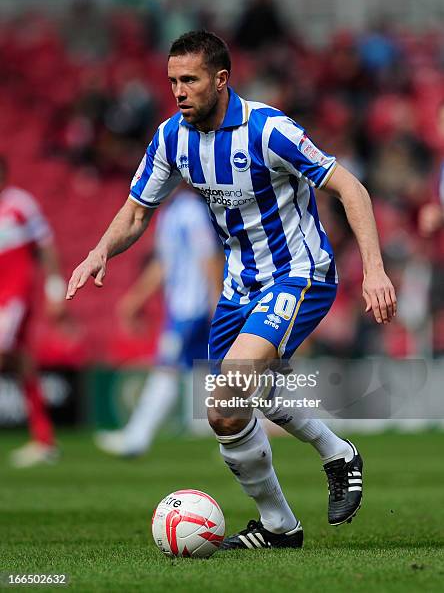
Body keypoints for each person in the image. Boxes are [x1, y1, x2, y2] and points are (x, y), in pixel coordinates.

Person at [67, 31, 397, 549]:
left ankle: (319, 474)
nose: (178, 91)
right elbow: (136, 211)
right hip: (240, 288)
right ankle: (287, 517)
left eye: (190, 80)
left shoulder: (269, 129)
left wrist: (374, 269)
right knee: (228, 409)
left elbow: (349, 186)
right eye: (173, 80)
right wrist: (100, 250)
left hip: (299, 273)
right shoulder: (172, 138)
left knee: (233, 383)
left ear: (221, 80)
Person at [95, 185, 223, 456]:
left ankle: (136, 439)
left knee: (167, 367)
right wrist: (136, 299)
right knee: (213, 372)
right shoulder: (171, 213)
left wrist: (216, 301)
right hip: (182, 307)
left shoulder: (191, 211)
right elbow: (164, 264)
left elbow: (209, 256)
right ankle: (241, 439)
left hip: (192, 308)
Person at [0, 156, 65, 467]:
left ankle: (43, 438)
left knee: (7, 355)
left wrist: (54, 288)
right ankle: (43, 437)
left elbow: (46, 245)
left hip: (15, 299)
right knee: (23, 361)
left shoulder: (19, 204)